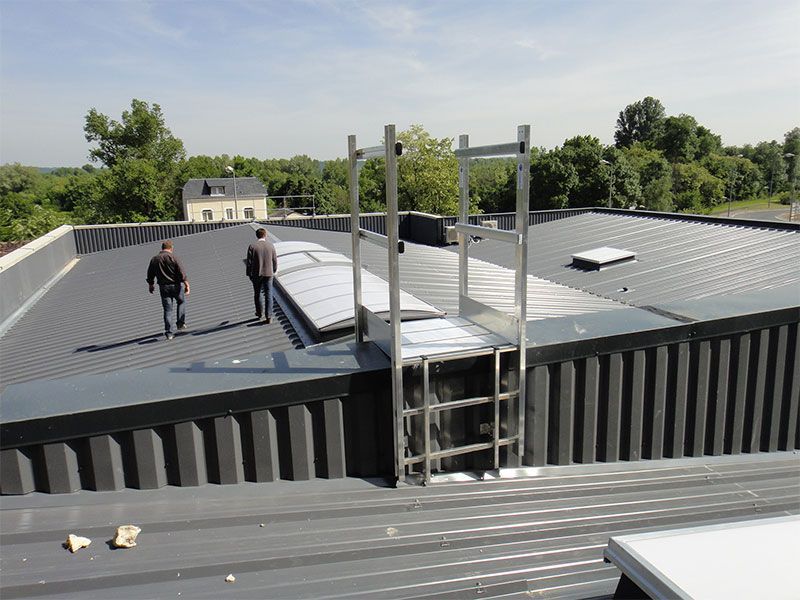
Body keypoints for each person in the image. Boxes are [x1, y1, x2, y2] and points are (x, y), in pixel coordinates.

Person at [146, 240, 190, 340]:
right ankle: (180, 323)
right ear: (171, 248)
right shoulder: (173, 257)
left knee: (167, 310)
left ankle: (169, 333)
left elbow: (150, 274)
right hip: (175, 286)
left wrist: (151, 285)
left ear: (162, 248)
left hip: (163, 288)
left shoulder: (154, 259)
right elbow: (181, 272)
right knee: (181, 302)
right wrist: (187, 284)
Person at [246, 228, 278, 323]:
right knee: (269, 294)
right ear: (265, 235)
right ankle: (269, 316)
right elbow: (274, 260)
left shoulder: (252, 246)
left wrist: (249, 273)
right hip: (268, 273)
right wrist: (274, 270)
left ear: (257, 235)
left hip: (257, 274)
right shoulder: (270, 245)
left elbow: (249, 262)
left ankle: (259, 313)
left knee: (257, 293)